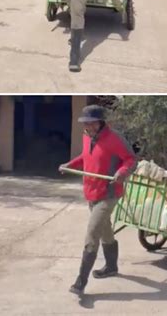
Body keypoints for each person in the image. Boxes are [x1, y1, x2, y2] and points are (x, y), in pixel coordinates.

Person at [59, 104, 137, 295]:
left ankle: (80, 282)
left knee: (92, 234)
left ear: (101, 122)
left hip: (109, 193)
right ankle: (111, 267)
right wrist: (70, 164)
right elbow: (85, 157)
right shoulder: (86, 136)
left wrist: (122, 172)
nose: (88, 127)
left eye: (92, 123)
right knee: (105, 231)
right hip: (91, 192)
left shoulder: (114, 138)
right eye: (86, 123)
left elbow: (131, 160)